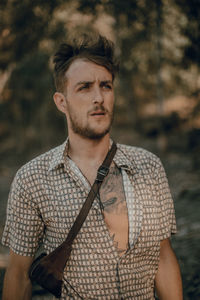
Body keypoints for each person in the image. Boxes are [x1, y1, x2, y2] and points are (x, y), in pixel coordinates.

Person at [2, 32, 183, 300]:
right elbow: (18, 275)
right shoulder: (33, 179)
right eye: (85, 87)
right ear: (61, 102)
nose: (98, 97)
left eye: (106, 86)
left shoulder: (148, 167)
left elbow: (164, 258)